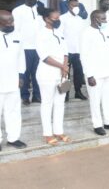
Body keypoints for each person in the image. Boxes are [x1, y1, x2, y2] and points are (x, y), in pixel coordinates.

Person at [80, 10, 109, 136]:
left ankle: (108, 122)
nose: (105, 21)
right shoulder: (87, 33)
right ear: (95, 19)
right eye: (103, 19)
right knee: (95, 100)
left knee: (108, 99)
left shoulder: (105, 31)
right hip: (95, 74)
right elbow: (84, 56)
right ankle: (97, 124)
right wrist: (89, 75)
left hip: (108, 71)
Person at [36, 8, 71, 145]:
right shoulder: (40, 34)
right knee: (47, 103)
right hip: (47, 74)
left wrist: (65, 66)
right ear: (46, 18)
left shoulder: (59, 32)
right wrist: (62, 66)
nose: (57, 21)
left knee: (60, 103)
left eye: (58, 19)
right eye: (54, 19)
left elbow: (65, 52)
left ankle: (58, 131)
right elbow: (44, 57)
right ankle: (47, 134)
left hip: (63, 75)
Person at [0, 10, 27, 151]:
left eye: (12, 20)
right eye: (8, 21)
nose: (12, 23)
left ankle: (13, 138)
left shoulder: (17, 35)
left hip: (13, 81)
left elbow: (21, 57)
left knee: (14, 111)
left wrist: (21, 76)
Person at [12, 0, 43, 105]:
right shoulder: (18, 11)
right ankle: (24, 96)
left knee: (37, 73)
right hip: (24, 48)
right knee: (24, 73)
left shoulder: (39, 10)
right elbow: (15, 31)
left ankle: (36, 96)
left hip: (38, 48)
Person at [60, 0, 88, 101]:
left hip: (78, 51)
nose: (76, 8)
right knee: (65, 73)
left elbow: (83, 36)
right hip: (66, 51)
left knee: (79, 73)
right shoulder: (62, 18)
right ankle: (65, 94)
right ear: (68, 6)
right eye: (73, 5)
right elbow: (60, 35)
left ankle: (78, 92)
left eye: (77, 6)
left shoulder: (80, 19)